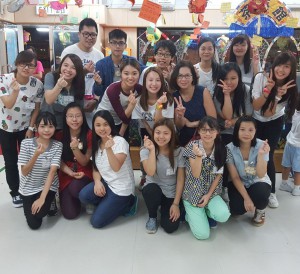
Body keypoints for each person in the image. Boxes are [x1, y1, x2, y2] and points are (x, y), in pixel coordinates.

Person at [252, 51, 298, 208]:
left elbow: (268, 113)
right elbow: (257, 107)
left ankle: (271, 192)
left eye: (287, 66)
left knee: (268, 155)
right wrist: (267, 90)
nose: (281, 70)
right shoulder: (260, 77)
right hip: (255, 121)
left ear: (291, 70)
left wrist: (278, 95)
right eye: (279, 65)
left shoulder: (290, 87)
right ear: (273, 64)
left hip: (274, 122)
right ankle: (251, 186)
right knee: (253, 153)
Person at [79, 110, 137, 228]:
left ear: (111, 124)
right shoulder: (97, 143)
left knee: (96, 222)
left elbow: (116, 167)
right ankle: (108, 202)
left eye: (105, 124)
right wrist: (97, 182)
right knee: (83, 195)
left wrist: (109, 149)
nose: (102, 128)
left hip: (122, 189)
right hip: (107, 183)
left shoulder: (120, 142)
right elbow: (95, 168)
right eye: (98, 125)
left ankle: (129, 202)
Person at [0, 50, 44, 207]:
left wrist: (31, 127)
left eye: (31, 66)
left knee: (29, 159)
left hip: (26, 128)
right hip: (6, 128)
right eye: (24, 64)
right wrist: (16, 90)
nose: (27, 68)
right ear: (17, 64)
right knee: (10, 161)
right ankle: (15, 192)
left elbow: (36, 109)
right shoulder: (4, 80)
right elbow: (9, 104)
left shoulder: (37, 84)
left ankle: (29, 188)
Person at [183, 116, 230, 240]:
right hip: (193, 194)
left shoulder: (221, 148)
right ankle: (191, 214)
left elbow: (218, 175)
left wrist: (209, 195)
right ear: (198, 131)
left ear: (217, 132)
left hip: (211, 193)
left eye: (211, 130)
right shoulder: (192, 146)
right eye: (204, 130)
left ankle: (206, 212)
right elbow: (196, 174)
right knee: (203, 235)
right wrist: (198, 156)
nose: (207, 133)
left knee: (224, 215)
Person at [213, 62, 253, 200]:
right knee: (223, 151)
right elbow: (227, 116)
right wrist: (226, 95)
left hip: (242, 130)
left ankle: (245, 183)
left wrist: (234, 121)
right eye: (226, 78)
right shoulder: (217, 92)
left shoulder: (245, 90)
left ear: (239, 78)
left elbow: (248, 114)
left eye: (233, 78)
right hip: (224, 131)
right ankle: (223, 186)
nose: (229, 82)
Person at [18, 111, 63, 230]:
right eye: (43, 126)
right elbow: (24, 172)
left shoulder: (57, 145)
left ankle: (50, 198)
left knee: (40, 213)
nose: (47, 130)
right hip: (28, 187)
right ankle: (31, 202)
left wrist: (43, 198)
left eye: (50, 126)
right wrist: (36, 155)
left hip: (47, 185)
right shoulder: (26, 143)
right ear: (37, 127)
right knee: (34, 225)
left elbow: (52, 172)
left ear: (55, 128)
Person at [140, 118, 184, 234]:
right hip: (154, 189)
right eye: (158, 133)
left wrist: (175, 204)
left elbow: (180, 179)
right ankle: (152, 216)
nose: (161, 137)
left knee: (170, 227)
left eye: (166, 133)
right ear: (153, 133)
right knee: (150, 190)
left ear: (172, 135)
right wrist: (152, 150)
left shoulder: (179, 152)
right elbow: (150, 172)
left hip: (170, 192)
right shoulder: (145, 150)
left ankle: (164, 207)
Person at [132, 67, 174, 189]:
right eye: (150, 80)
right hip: (146, 130)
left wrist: (159, 105)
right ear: (144, 82)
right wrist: (151, 134)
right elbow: (143, 121)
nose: (154, 84)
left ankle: (164, 179)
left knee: (162, 155)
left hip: (165, 131)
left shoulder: (168, 100)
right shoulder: (139, 100)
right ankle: (145, 176)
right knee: (145, 151)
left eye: (157, 80)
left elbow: (161, 123)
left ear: (162, 82)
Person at [227, 116, 271, 226]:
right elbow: (235, 177)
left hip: (257, 180)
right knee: (236, 209)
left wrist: (261, 155)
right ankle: (246, 200)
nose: (246, 133)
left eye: (251, 130)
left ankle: (260, 211)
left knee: (261, 194)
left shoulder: (262, 145)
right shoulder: (229, 148)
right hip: (239, 181)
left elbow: (261, 174)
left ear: (255, 131)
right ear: (236, 130)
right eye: (242, 129)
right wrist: (246, 199)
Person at [61, 18, 104, 127]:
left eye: (93, 35)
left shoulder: (99, 55)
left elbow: (100, 82)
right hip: (73, 100)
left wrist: (96, 100)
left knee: (90, 133)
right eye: (86, 34)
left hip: (92, 102)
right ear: (79, 34)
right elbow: (62, 77)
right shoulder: (69, 52)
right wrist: (83, 71)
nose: (90, 38)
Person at [56, 102, 93, 219]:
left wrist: (75, 148)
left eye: (78, 115)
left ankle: (91, 199)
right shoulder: (60, 135)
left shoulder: (90, 134)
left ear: (83, 116)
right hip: (67, 172)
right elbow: (58, 160)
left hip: (85, 172)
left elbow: (84, 162)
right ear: (65, 118)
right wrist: (70, 172)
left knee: (75, 188)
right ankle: (73, 198)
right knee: (70, 214)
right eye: (70, 116)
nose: (74, 119)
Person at [171, 60, 217, 146]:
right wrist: (180, 116)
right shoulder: (174, 96)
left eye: (187, 75)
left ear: (193, 77)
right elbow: (179, 126)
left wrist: (191, 124)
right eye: (180, 76)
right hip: (184, 142)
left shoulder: (203, 92)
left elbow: (213, 120)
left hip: (205, 140)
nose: (183, 79)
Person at [96, 58, 142, 140]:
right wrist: (131, 106)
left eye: (134, 73)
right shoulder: (113, 90)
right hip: (104, 120)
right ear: (121, 74)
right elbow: (123, 116)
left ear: (139, 74)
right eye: (126, 73)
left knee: (123, 145)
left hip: (122, 121)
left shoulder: (139, 89)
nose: (130, 77)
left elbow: (127, 116)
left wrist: (121, 134)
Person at [94, 28, 146, 100]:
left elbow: (146, 70)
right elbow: (97, 93)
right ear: (109, 45)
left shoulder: (132, 61)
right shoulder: (101, 65)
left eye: (121, 43)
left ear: (125, 46)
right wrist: (98, 84)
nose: (117, 46)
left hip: (128, 101)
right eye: (114, 42)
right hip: (108, 103)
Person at [42, 54, 85, 130]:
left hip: (69, 126)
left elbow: (79, 108)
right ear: (61, 65)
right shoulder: (51, 76)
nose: (68, 69)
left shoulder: (79, 82)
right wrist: (59, 86)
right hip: (49, 125)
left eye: (73, 67)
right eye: (66, 65)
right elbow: (48, 100)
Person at [280, 97, 300, 196]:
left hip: (289, 142)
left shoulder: (296, 112)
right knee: (298, 169)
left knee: (286, 164)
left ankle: (284, 183)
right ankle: (297, 188)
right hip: (298, 146)